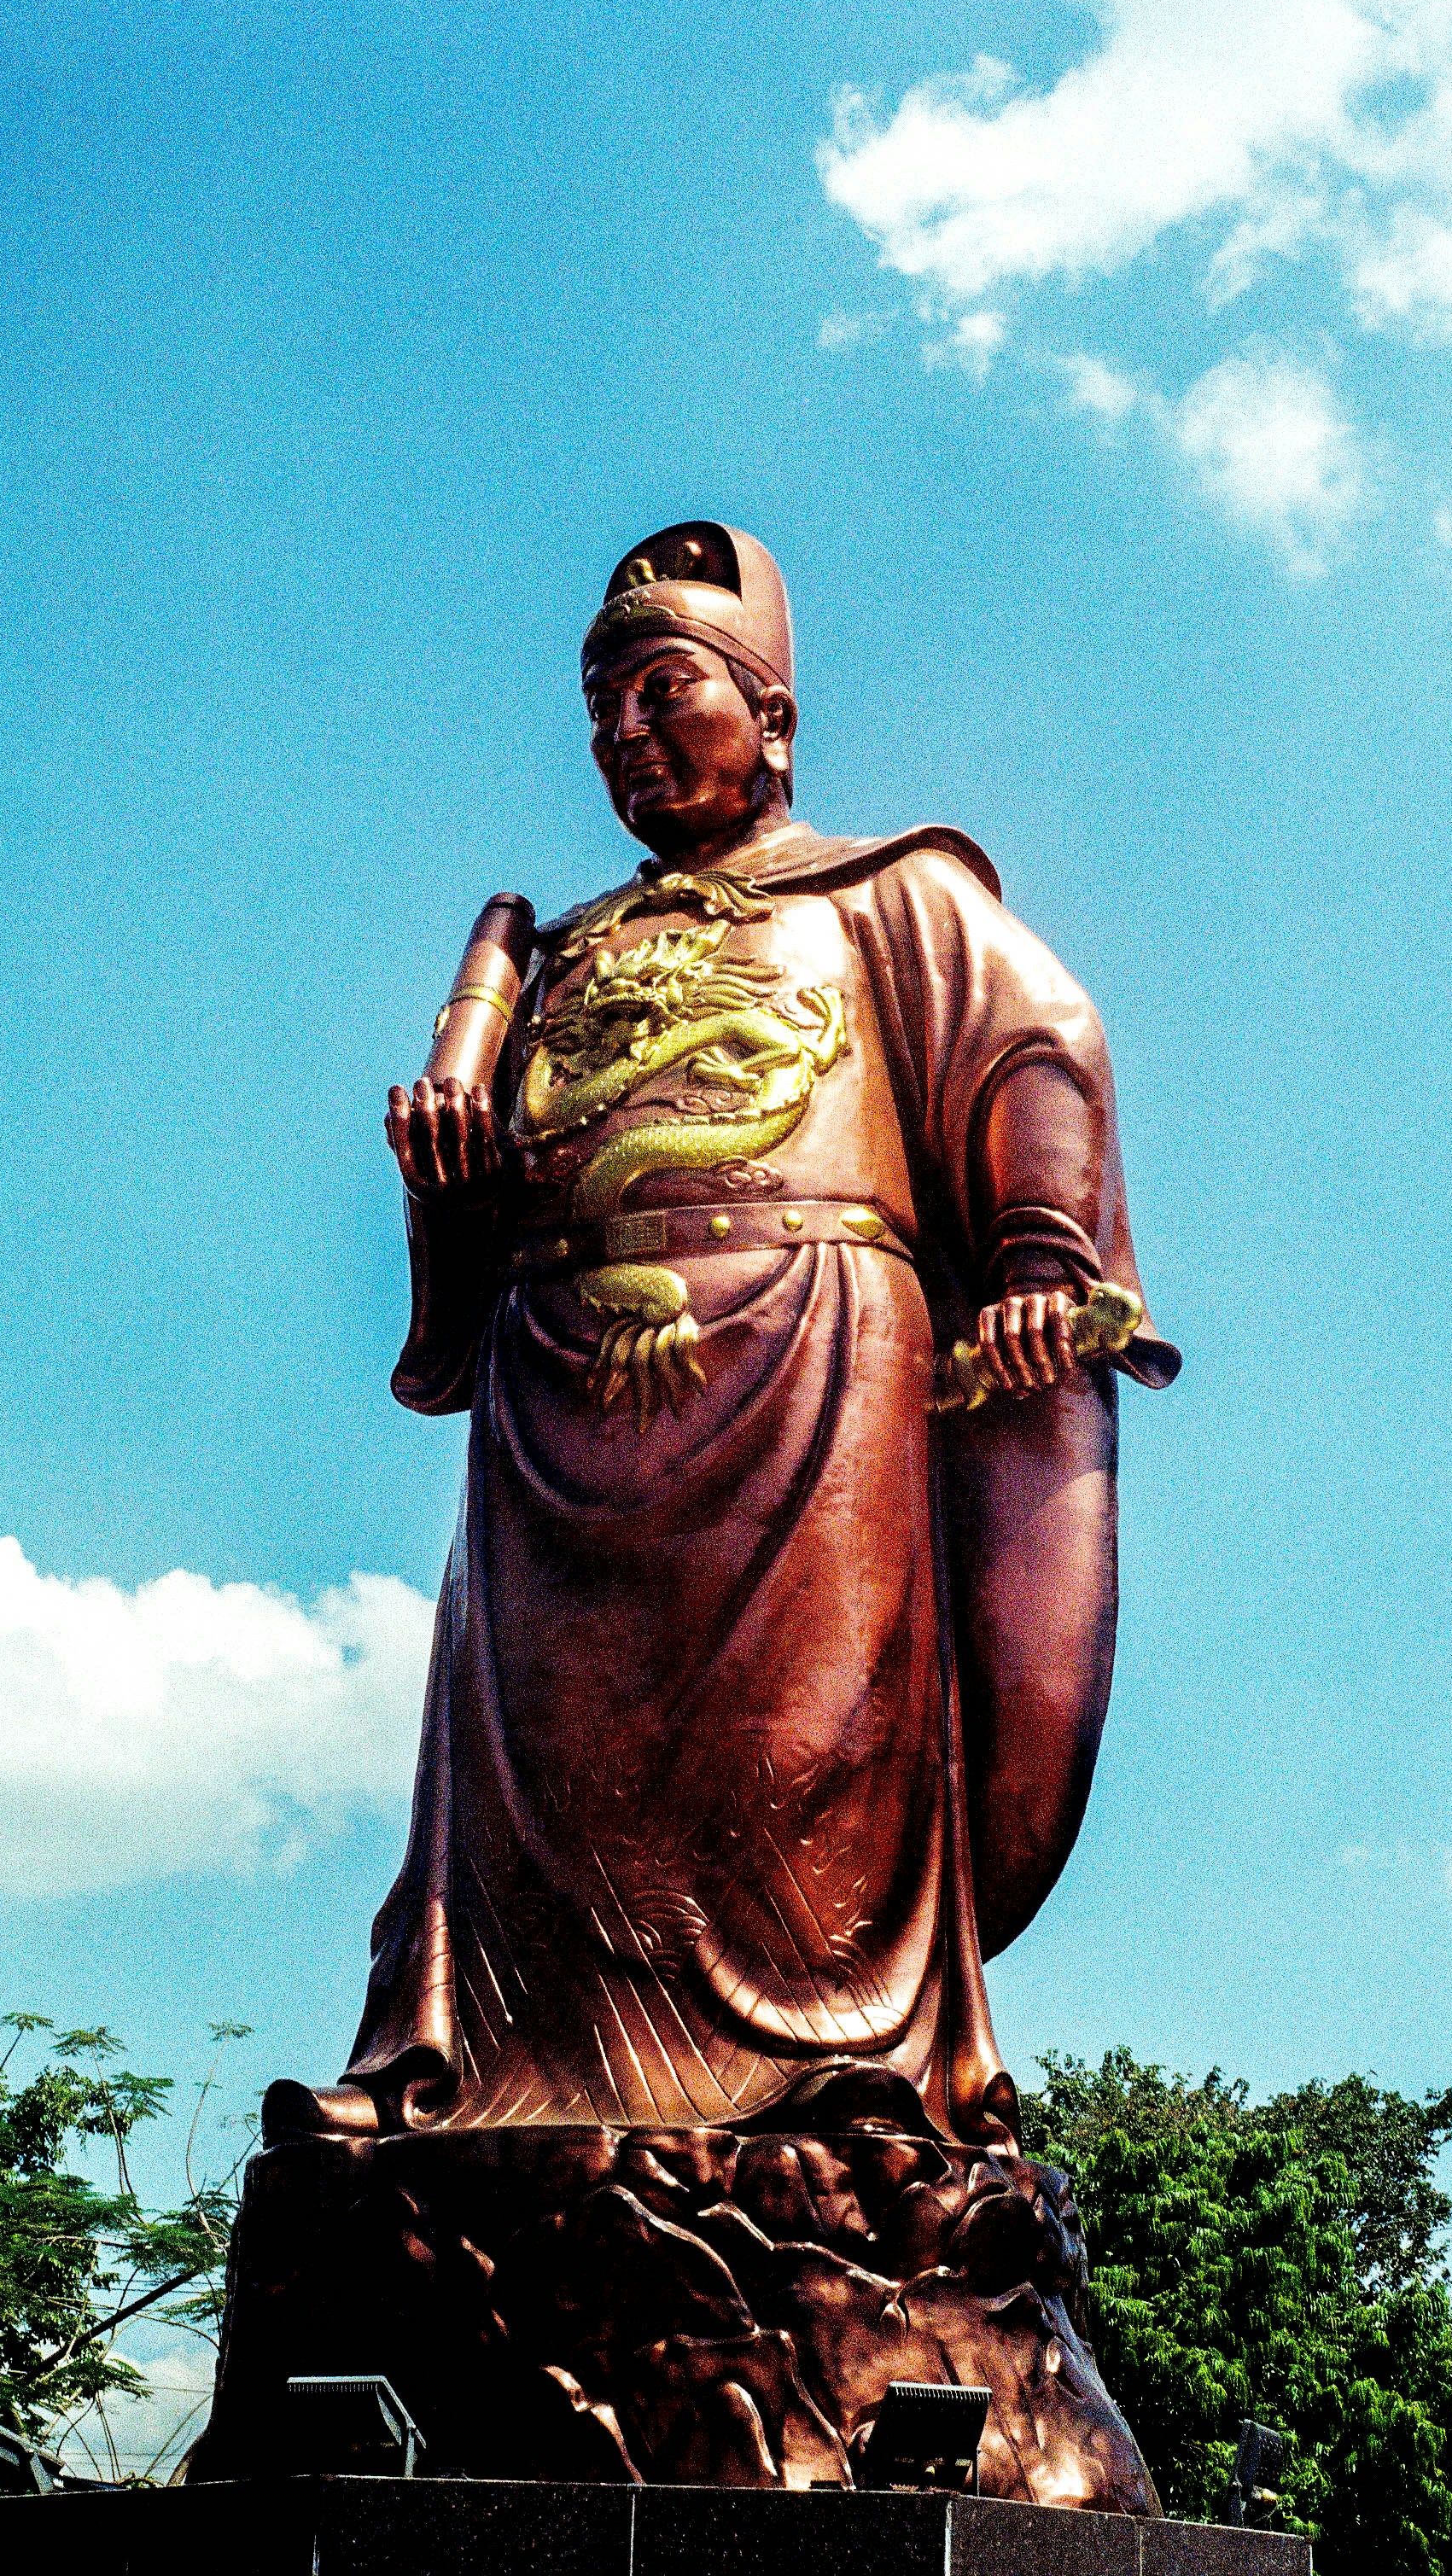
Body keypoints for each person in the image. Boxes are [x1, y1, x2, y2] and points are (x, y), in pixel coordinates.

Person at [271, 521, 1177, 2150]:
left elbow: (1032, 1051)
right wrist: (450, 1182)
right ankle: (474, 2076)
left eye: (658, 689)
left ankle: (828, 2066)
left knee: (811, 1742)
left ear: (767, 712)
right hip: (564, 1389)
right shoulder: (555, 956)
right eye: (598, 711)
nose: (624, 733)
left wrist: (1040, 1250)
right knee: (544, 1758)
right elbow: (455, 1306)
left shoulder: (883, 894)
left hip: (811, 1362)